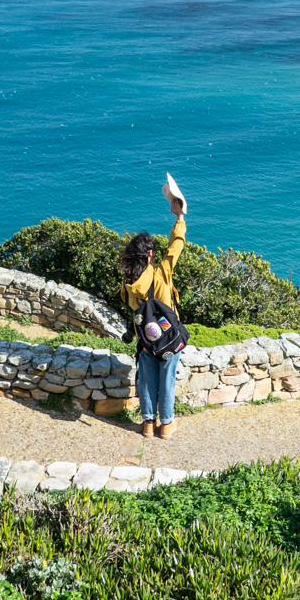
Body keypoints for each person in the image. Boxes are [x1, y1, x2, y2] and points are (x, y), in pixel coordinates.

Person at [119, 181, 188, 439]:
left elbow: (131, 310)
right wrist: (179, 217)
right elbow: (175, 247)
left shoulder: (128, 282)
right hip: (168, 339)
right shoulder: (160, 273)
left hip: (146, 340)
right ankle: (166, 425)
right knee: (167, 380)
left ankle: (148, 425)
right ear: (149, 254)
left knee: (147, 381)